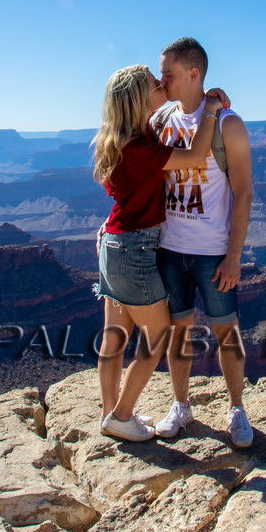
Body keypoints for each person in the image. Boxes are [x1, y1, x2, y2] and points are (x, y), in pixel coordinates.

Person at [91, 64, 225, 442]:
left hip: (113, 244)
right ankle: (121, 415)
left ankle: (109, 415)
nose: (162, 84)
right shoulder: (140, 148)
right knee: (158, 337)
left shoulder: (123, 138)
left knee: (114, 336)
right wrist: (212, 113)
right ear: (140, 98)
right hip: (134, 248)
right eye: (155, 84)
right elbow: (197, 156)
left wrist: (195, 95)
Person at [149, 37, 255, 448]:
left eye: (169, 73)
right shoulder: (161, 120)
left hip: (213, 252)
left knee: (227, 332)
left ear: (194, 74)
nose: (163, 81)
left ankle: (236, 409)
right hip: (170, 249)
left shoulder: (229, 124)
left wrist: (234, 256)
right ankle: (181, 405)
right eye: (161, 74)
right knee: (178, 333)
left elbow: (243, 192)